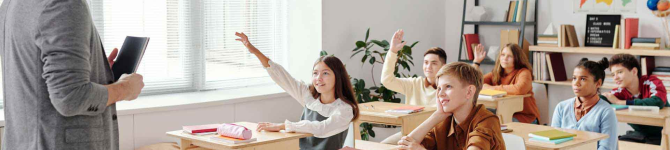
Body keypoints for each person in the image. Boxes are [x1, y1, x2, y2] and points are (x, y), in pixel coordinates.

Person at [0, 0, 145, 149]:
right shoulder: (64, 4)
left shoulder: (12, 3)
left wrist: (96, 68)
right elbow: (70, 97)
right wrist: (125, 89)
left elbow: (32, 71)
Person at [235, 32, 359, 149]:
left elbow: (321, 128)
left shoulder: (344, 109)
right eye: (315, 73)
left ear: (338, 77)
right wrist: (255, 51)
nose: (319, 78)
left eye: (325, 73)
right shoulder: (310, 98)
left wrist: (282, 126)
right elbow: (282, 76)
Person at [397, 62, 506, 150]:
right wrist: (436, 116)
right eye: (439, 88)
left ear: (469, 92)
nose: (440, 93)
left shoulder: (487, 121)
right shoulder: (443, 122)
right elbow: (404, 147)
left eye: (448, 86)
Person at [380, 29, 447, 144]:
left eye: (434, 63)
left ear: (443, 66)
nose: (428, 67)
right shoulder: (414, 83)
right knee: (381, 146)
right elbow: (387, 80)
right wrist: (392, 51)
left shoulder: (449, 88)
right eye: (426, 62)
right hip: (408, 133)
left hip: (435, 135)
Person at [551, 58, 618, 150]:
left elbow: (606, 148)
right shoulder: (561, 107)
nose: (576, 83)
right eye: (574, 78)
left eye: (583, 79)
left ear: (598, 83)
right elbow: (553, 142)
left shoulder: (606, 112)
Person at [603, 53, 668, 145]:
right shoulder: (620, 91)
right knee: (612, 144)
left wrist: (620, 102)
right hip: (640, 135)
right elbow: (603, 98)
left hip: (664, 134)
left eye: (620, 72)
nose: (615, 77)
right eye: (613, 74)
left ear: (634, 71)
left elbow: (657, 101)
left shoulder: (652, 82)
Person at [471, 43, 540, 124]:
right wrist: (476, 62)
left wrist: (489, 88)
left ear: (517, 59)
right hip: (502, 114)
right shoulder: (496, 73)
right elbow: (473, 81)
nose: (505, 58)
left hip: (525, 117)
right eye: (503, 55)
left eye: (510, 56)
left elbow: (519, 89)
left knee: (492, 123)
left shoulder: (524, 72)